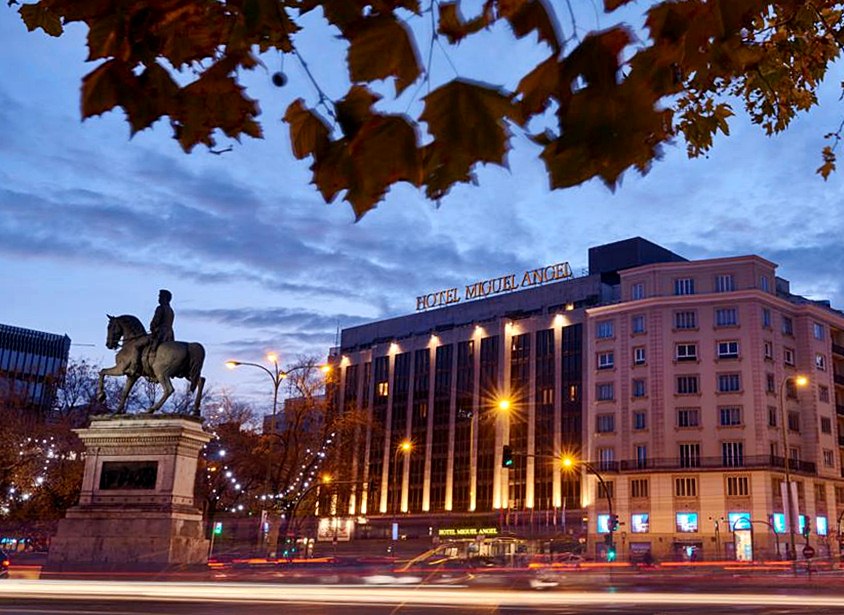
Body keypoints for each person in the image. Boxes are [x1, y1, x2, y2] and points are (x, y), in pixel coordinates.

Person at [134, 290, 175, 376]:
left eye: (160, 297)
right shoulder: (171, 310)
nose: (158, 299)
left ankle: (136, 366)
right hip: (169, 334)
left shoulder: (160, 308)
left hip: (160, 333)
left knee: (137, 344)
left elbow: (156, 321)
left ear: (164, 298)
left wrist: (152, 327)